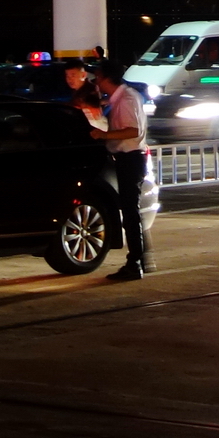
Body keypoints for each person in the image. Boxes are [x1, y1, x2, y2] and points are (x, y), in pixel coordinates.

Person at [85, 64, 149, 280]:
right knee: (130, 210)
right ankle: (139, 259)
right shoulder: (118, 98)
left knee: (130, 211)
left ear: (107, 78)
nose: (96, 82)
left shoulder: (127, 98)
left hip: (130, 158)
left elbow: (133, 130)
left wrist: (103, 135)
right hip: (126, 157)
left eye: (98, 77)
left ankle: (136, 262)